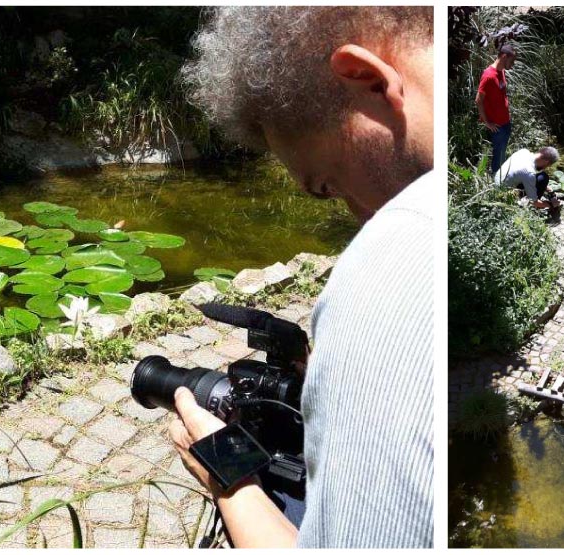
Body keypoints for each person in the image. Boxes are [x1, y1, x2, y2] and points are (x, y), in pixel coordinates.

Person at [173, 6, 434, 548]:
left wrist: (231, 481)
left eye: (327, 185)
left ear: (366, 78)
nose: (355, 217)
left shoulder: (387, 261)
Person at [476, 43, 516, 175]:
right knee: (498, 156)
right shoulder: (488, 76)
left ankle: (501, 178)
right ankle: (496, 182)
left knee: (502, 153)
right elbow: (478, 100)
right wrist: (487, 122)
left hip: (506, 123)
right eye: (512, 60)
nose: (513, 64)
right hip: (497, 126)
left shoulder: (501, 71)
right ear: (504, 57)